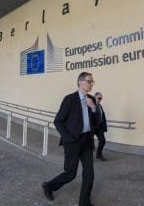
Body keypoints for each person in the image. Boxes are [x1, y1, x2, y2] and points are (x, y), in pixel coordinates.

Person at [42, 72, 101, 206]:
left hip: (87, 140)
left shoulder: (91, 98)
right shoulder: (70, 99)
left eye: (92, 81)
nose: (92, 83)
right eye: (89, 81)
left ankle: (84, 202)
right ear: (80, 82)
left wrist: (93, 107)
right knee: (70, 173)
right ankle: (49, 186)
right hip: (73, 142)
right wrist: (68, 138)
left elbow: (97, 121)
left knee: (89, 174)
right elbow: (58, 121)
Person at [93, 92, 107, 161]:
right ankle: (87, 156)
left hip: (99, 127)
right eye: (99, 98)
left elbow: (102, 116)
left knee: (102, 140)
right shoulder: (90, 105)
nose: (100, 100)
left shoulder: (99, 106)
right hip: (92, 127)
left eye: (101, 98)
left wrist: (104, 127)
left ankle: (99, 154)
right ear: (94, 97)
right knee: (88, 142)